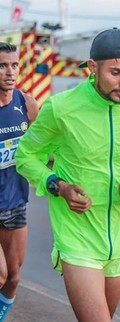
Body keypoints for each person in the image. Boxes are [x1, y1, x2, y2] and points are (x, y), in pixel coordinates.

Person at [15, 28, 120, 322]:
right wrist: (58, 186)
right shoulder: (62, 108)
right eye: (116, 72)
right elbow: (26, 155)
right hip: (77, 235)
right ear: (93, 68)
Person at [0, 42, 39, 320]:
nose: (9, 72)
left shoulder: (27, 103)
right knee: (0, 273)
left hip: (15, 202)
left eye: (14, 65)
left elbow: (40, 150)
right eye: (2, 65)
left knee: (12, 278)